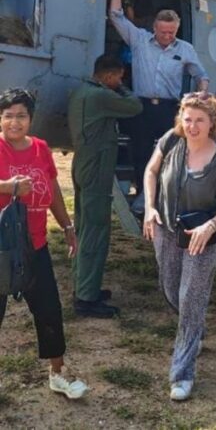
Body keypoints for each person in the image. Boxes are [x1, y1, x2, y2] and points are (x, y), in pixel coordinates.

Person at [142, 93, 216, 401]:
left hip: (203, 238)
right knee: (172, 290)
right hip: (167, 230)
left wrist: (211, 225)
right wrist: (149, 207)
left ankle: (182, 374)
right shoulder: (172, 141)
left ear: (212, 122)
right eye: (187, 119)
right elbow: (151, 171)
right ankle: (194, 331)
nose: (192, 126)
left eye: (200, 120)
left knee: (190, 299)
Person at [0, 88, 88, 399]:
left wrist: (66, 225)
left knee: (49, 309)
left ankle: (58, 373)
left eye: (21, 115)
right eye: (8, 115)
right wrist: (8, 186)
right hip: (1, 249)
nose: (14, 122)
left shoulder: (40, 148)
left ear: (31, 119)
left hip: (35, 244)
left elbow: (50, 187)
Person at [109, 0, 209, 198]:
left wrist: (202, 93)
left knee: (171, 152)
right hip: (141, 106)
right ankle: (144, 194)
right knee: (141, 151)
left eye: (172, 32)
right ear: (154, 27)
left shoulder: (185, 49)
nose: (167, 36)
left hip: (168, 108)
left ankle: (168, 195)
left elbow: (200, 74)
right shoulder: (139, 40)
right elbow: (116, 15)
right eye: (163, 31)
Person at [68, 55, 143, 318]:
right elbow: (134, 106)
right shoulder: (101, 96)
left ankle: (82, 286)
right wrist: (123, 88)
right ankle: (86, 299)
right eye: (118, 78)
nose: (119, 82)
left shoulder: (82, 91)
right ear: (110, 76)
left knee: (84, 226)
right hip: (96, 167)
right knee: (96, 230)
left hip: (82, 164)